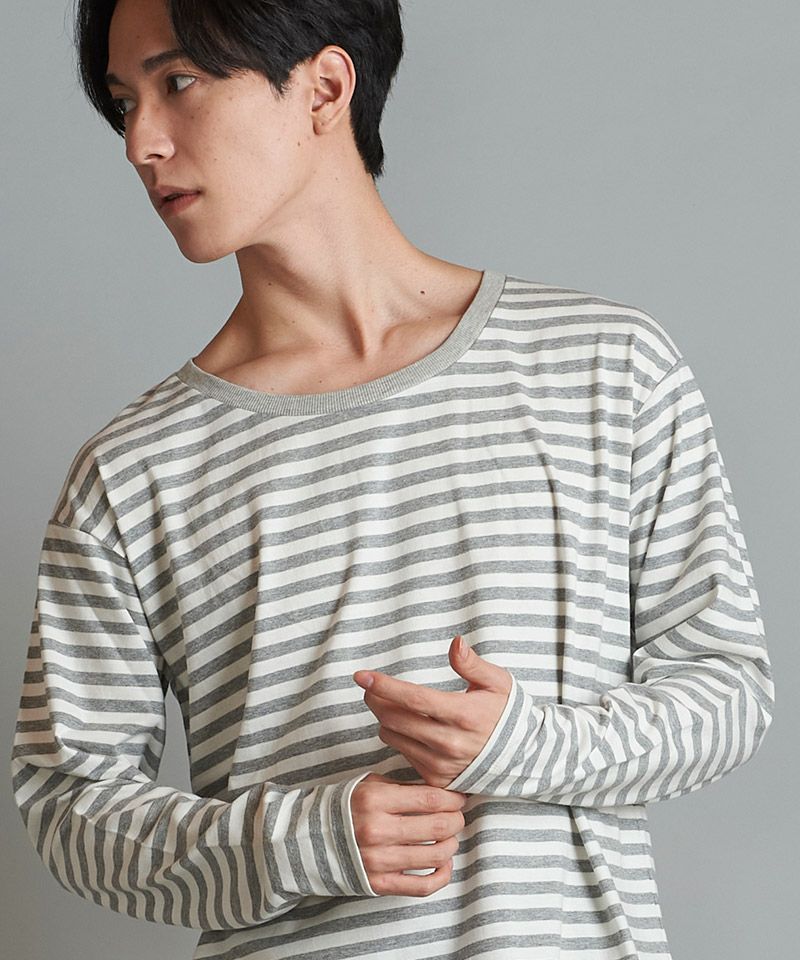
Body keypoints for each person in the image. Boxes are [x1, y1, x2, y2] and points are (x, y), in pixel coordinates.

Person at [10, 1, 775, 958]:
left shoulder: (603, 365)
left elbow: (726, 690)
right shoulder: (133, 469)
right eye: (125, 102)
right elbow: (69, 806)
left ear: (325, 87)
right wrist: (298, 840)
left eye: (179, 82)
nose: (141, 143)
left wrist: (528, 745)